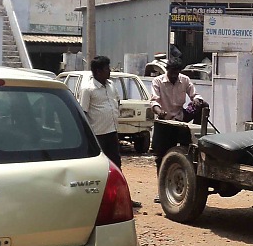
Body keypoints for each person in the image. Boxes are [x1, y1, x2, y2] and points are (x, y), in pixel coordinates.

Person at [79, 56, 142, 208]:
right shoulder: (88, 89)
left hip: (112, 132)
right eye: (107, 68)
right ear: (98, 71)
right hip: (98, 135)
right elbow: (84, 113)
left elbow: (116, 101)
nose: (109, 71)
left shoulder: (111, 85)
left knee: (116, 167)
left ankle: (123, 198)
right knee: (98, 169)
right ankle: (98, 202)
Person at [149, 59, 207, 202]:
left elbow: (195, 94)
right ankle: (161, 192)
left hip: (180, 121)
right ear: (167, 71)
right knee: (161, 158)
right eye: (171, 72)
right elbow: (154, 101)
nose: (174, 75)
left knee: (185, 155)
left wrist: (197, 100)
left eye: (176, 73)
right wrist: (159, 111)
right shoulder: (158, 81)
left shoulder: (185, 80)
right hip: (164, 122)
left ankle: (183, 188)